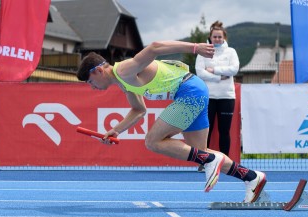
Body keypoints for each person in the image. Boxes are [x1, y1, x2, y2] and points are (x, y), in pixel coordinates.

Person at [76, 40, 266, 203]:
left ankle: (211, 160)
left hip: (189, 92)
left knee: (152, 141)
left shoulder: (124, 70)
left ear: (99, 70)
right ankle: (251, 177)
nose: (93, 88)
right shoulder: (123, 81)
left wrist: (194, 47)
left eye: (90, 83)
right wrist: (116, 130)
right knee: (201, 153)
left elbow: (155, 47)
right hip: (195, 91)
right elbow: (139, 110)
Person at [195, 21, 239, 172]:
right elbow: (200, 72)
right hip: (208, 96)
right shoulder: (204, 51)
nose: (217, 39)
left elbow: (234, 69)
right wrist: (219, 77)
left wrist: (213, 70)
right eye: (215, 37)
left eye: (220, 37)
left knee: (224, 131)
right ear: (210, 37)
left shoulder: (231, 52)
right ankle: (205, 162)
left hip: (227, 97)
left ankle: (225, 164)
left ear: (224, 37)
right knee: (206, 130)